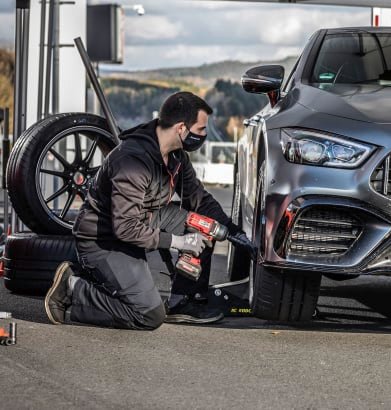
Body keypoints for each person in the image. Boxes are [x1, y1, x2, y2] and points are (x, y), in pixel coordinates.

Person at [44, 92, 252, 329]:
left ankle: (182, 303)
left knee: (205, 224)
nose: (204, 135)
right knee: (148, 315)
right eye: (201, 129)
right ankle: (74, 288)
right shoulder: (132, 162)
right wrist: (178, 242)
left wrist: (233, 231)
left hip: (144, 221)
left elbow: (199, 199)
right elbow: (125, 228)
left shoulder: (175, 156)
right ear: (181, 128)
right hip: (105, 240)